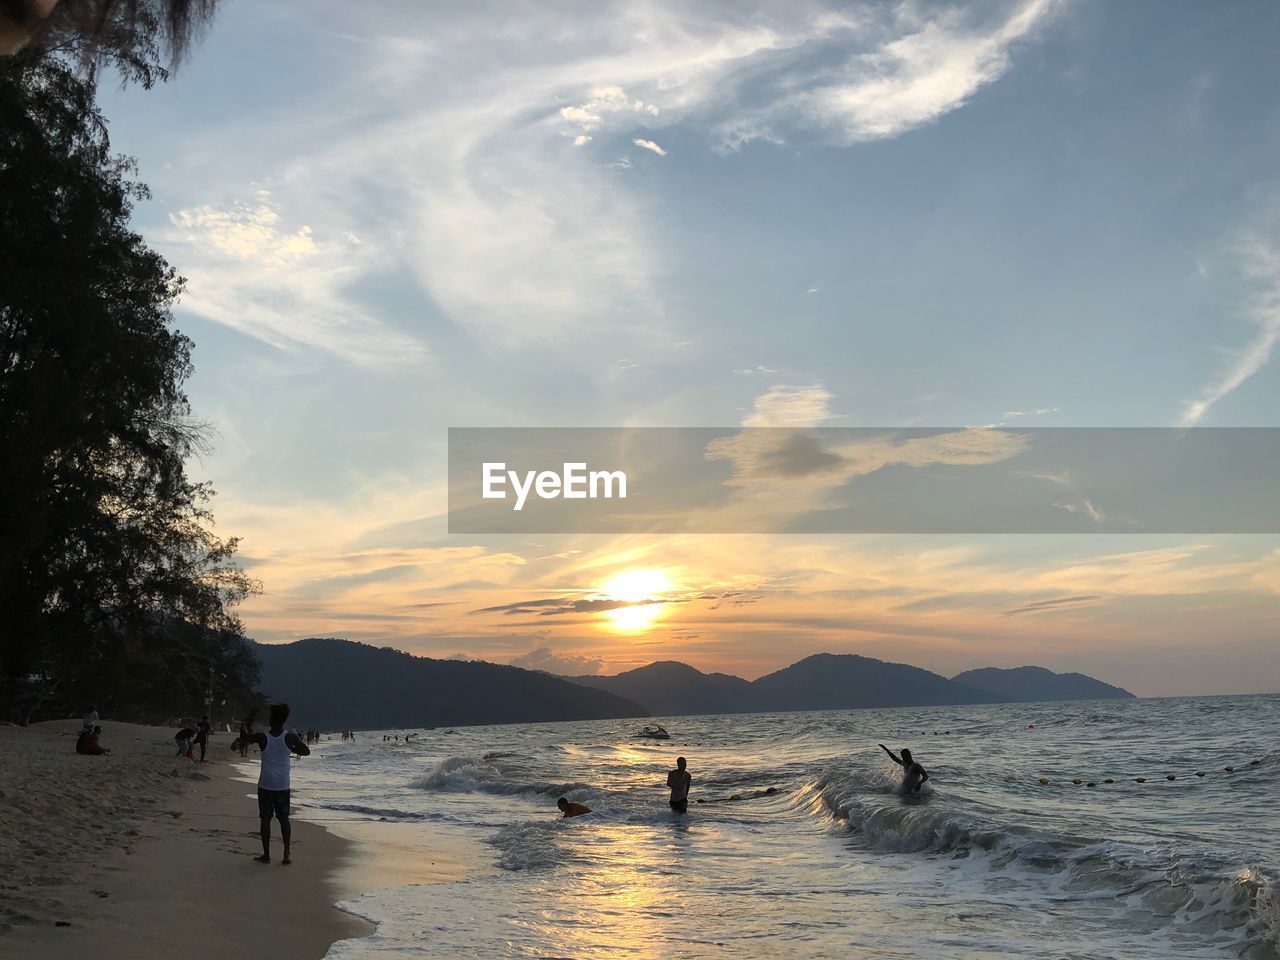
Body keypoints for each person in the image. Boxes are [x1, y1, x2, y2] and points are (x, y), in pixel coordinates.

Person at [249, 702, 310, 865]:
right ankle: (286, 853)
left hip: (265, 785)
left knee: (265, 820)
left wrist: (249, 718)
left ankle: (267, 855)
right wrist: (290, 748)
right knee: (284, 819)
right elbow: (306, 751)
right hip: (282, 785)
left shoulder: (263, 737)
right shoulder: (289, 737)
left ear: (272, 719)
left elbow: (247, 738)